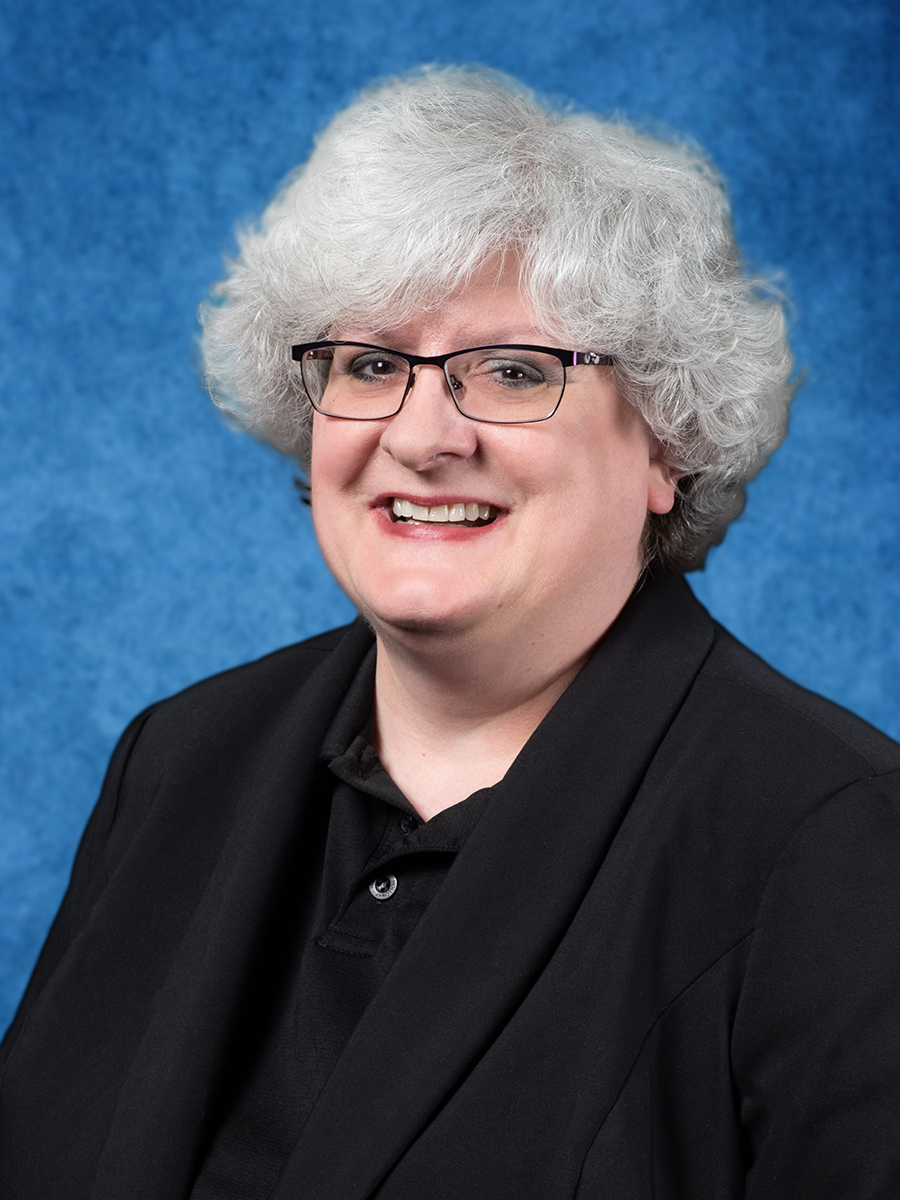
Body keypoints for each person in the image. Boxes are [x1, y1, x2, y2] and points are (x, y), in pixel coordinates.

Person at [1, 66, 898, 1200]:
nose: (424, 437)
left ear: (668, 443)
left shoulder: (838, 847)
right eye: (372, 364)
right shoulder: (181, 758)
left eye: (513, 372)